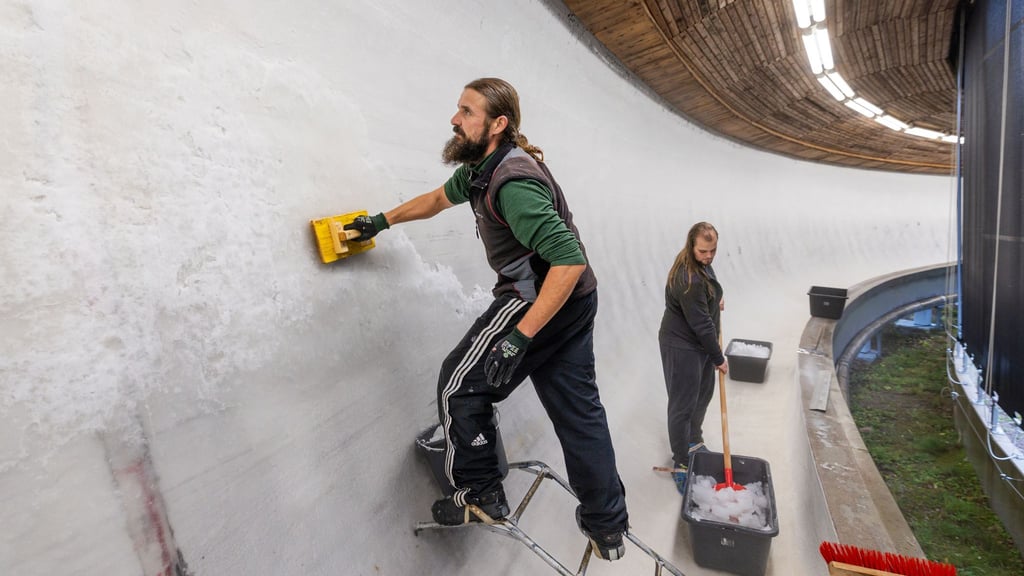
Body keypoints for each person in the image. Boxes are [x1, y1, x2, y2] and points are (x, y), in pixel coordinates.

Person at [343, 78, 629, 560]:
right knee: (580, 417)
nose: (455, 119)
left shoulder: (511, 182)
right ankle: (607, 527)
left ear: (498, 124)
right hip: (577, 302)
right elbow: (436, 200)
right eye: (458, 109)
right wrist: (380, 221)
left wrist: (520, 336)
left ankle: (480, 495)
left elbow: (568, 259)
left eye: (467, 112)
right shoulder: (483, 169)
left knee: (460, 386)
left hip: (541, 299)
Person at [658, 222, 728, 495]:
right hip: (682, 345)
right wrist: (719, 358)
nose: (708, 256)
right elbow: (702, 326)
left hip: (698, 344)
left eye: (712, 251)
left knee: (703, 394)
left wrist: (715, 299)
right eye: (703, 251)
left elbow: (706, 295)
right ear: (691, 246)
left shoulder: (700, 267)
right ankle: (681, 461)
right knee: (683, 404)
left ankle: (694, 441)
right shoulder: (689, 280)